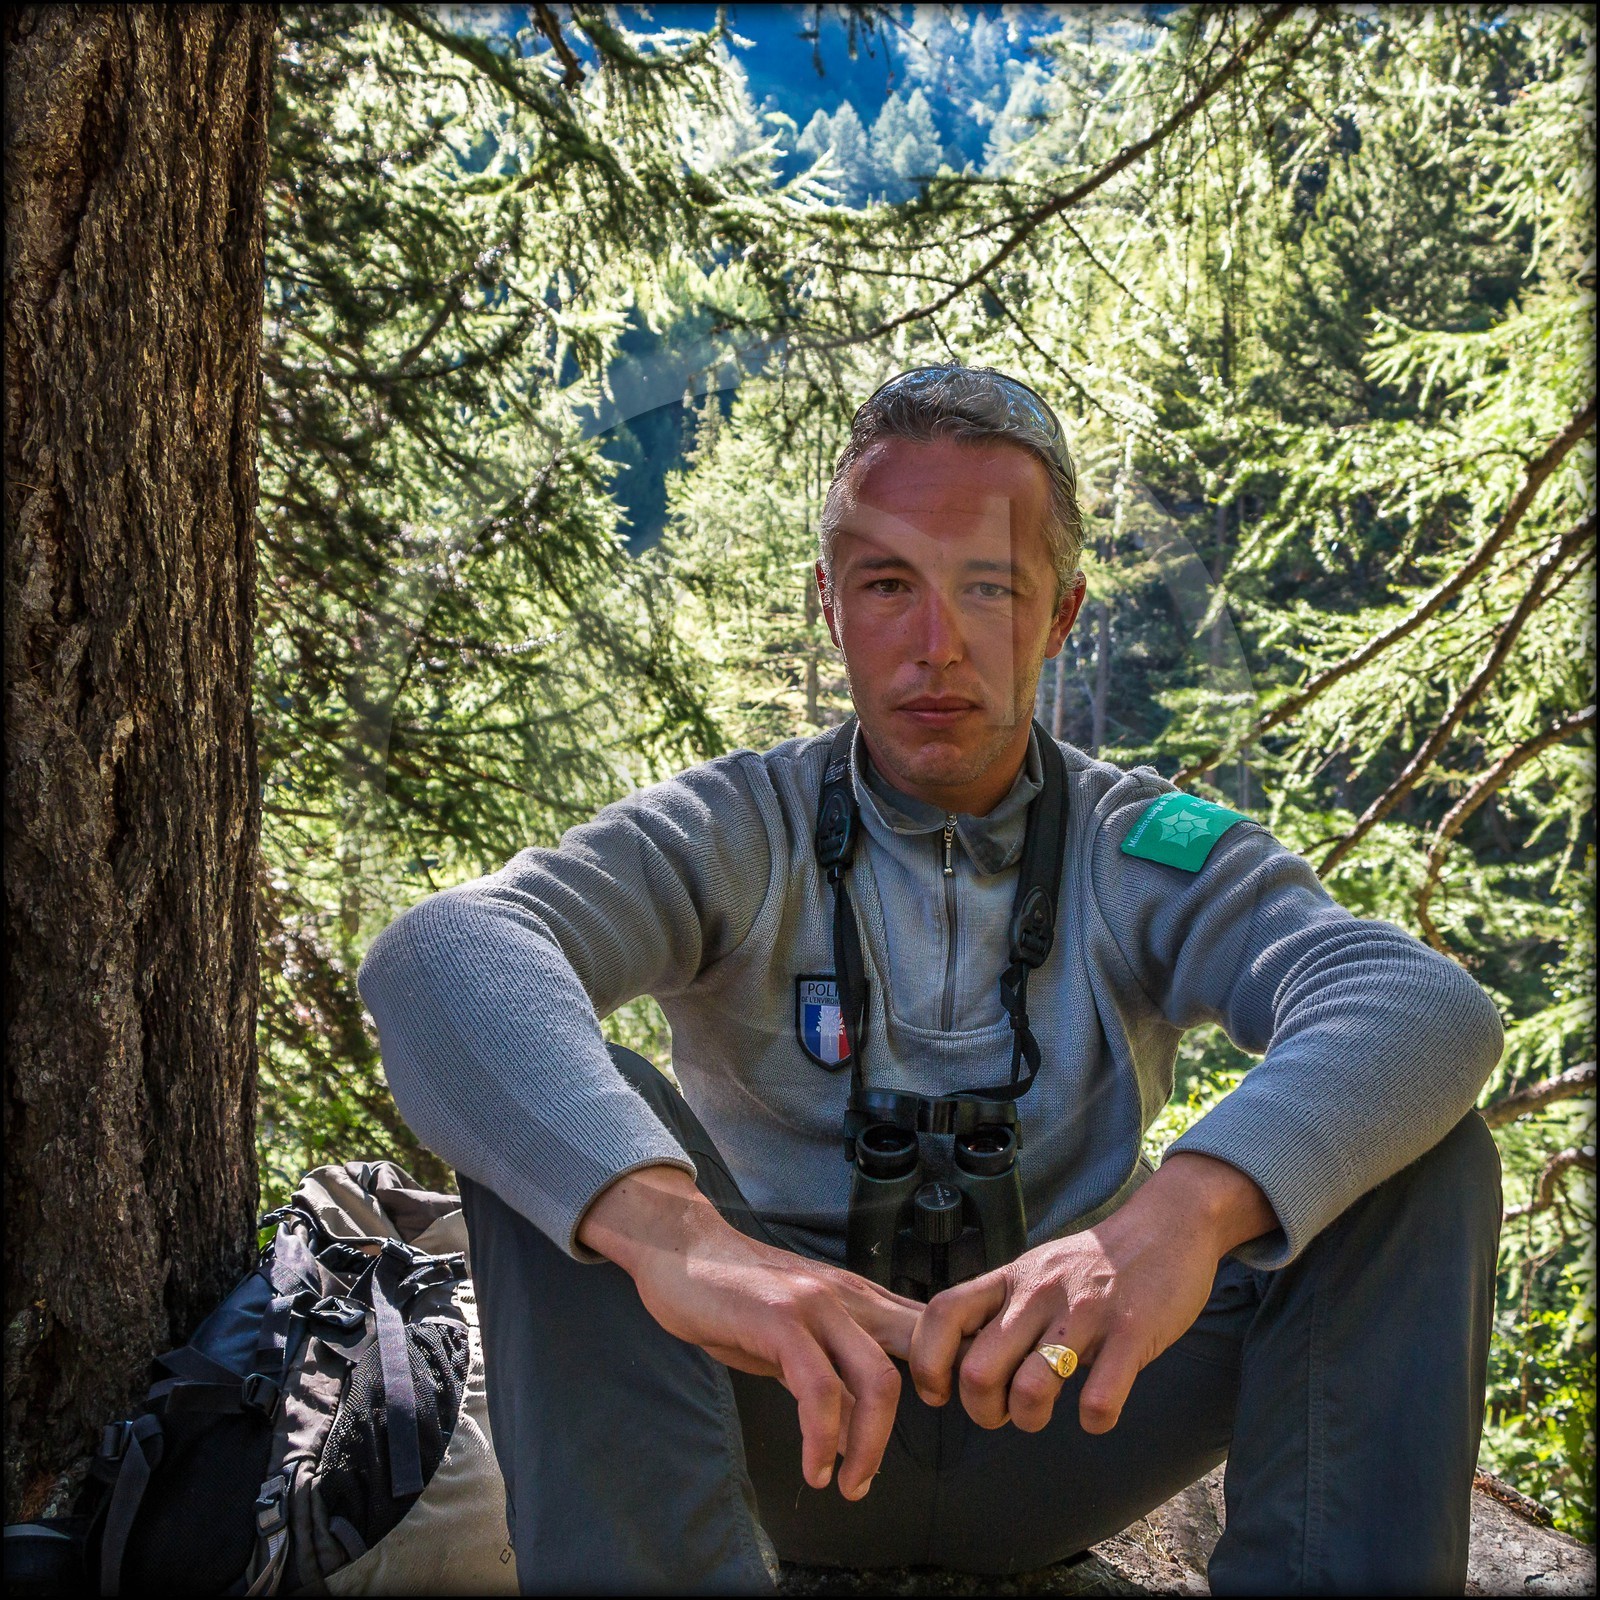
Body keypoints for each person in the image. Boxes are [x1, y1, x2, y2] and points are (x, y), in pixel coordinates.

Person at [358, 366, 1505, 1595]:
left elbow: (1420, 1002)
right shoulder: (733, 826)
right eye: (889, 587)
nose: (936, 645)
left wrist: (1180, 1216)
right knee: (569, 1135)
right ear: (832, 607)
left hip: (1069, 1408)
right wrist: (676, 1235)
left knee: (1420, 1155)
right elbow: (443, 953)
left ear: (1059, 616)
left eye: (989, 590)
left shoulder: (1143, 850)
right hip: (770, 1416)